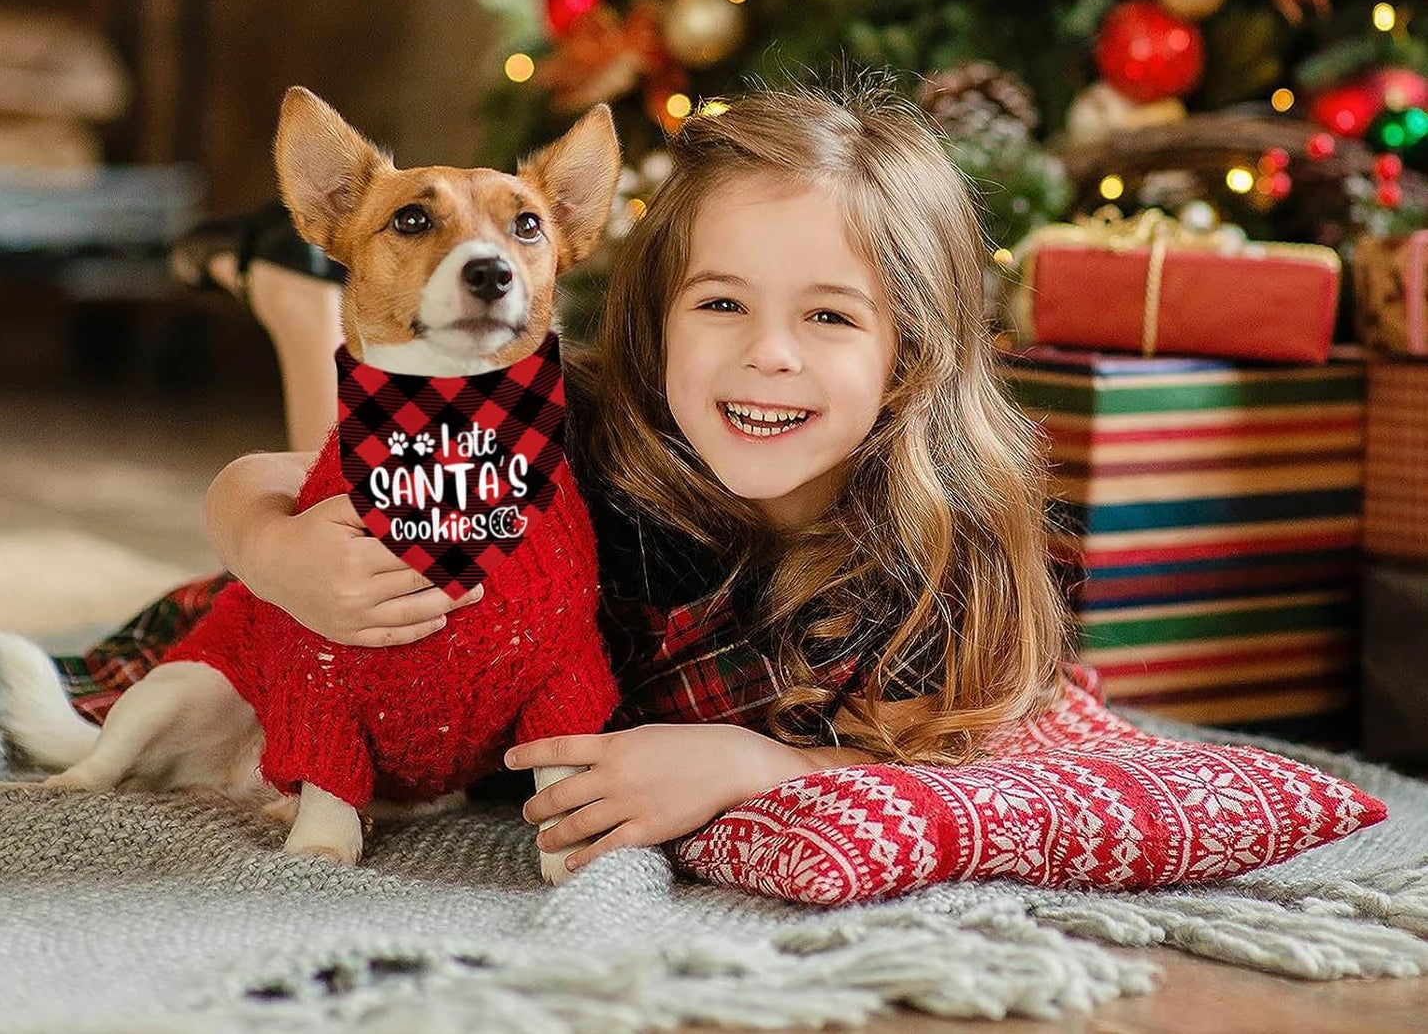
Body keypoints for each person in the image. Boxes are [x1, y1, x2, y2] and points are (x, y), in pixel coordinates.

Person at [53, 82, 1073, 875]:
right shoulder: (579, 420)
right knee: (341, 495)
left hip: (478, 729)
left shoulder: (939, 555)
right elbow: (266, 481)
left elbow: (982, 774)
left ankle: (297, 290)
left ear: (913, 350)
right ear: (655, 312)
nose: (769, 353)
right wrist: (268, 549)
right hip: (315, 643)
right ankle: (303, 301)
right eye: (720, 304)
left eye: (829, 314)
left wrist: (758, 762)